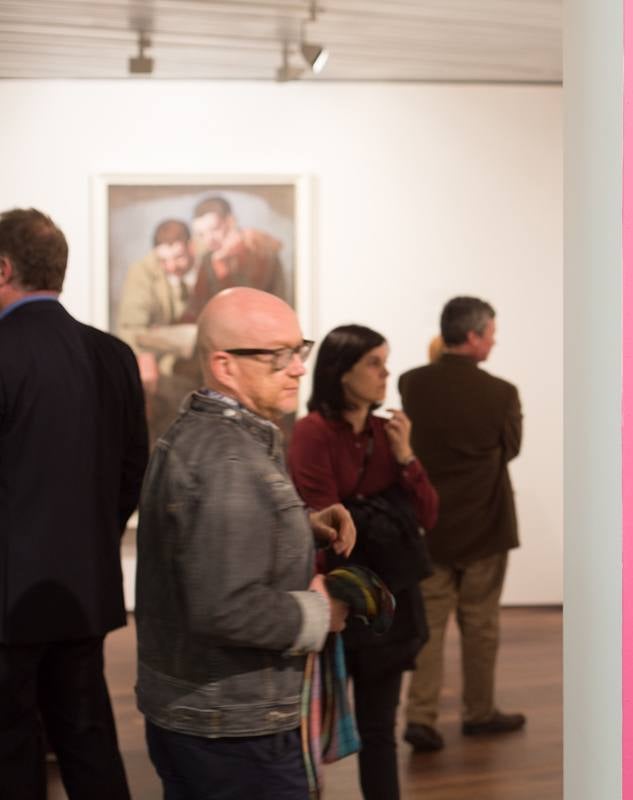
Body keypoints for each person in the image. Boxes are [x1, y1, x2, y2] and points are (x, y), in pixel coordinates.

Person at [135, 287, 354, 799]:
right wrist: (321, 611)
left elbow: (211, 543)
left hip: (211, 716)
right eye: (278, 356)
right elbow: (224, 608)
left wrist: (301, 524)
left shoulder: (212, 435)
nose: (298, 368)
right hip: (233, 727)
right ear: (224, 366)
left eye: (298, 349)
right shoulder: (227, 461)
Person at [0, 207, 148, 800]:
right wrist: (95, 538)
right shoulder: (113, 354)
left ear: (2, 268)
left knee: (11, 748)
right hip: (85, 587)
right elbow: (133, 470)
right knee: (88, 739)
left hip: (7, 601)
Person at [289, 324, 439, 800]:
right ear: (341, 371)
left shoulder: (386, 432)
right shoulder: (312, 433)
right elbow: (330, 526)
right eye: (374, 363)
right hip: (335, 600)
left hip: (384, 600)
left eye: (385, 362)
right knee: (311, 729)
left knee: (379, 729)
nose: (385, 373)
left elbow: (428, 514)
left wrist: (406, 456)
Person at [399, 296, 525, 752]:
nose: (493, 341)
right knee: (481, 624)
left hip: (430, 525)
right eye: (491, 333)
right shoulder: (502, 393)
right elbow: (511, 449)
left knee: (429, 625)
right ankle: (479, 711)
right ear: (472, 336)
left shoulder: (411, 383)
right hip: (485, 524)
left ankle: (421, 716)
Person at [113, 218, 201, 443]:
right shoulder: (142, 272)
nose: (171, 267)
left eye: (179, 257)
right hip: (165, 366)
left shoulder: (210, 264)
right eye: (163, 260)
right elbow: (131, 327)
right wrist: (144, 354)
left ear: (191, 247)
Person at [182, 195, 287, 320]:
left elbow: (250, 302)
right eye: (202, 234)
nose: (209, 239)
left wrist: (221, 264)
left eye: (214, 229)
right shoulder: (208, 259)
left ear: (231, 221)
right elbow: (197, 305)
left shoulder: (259, 249)